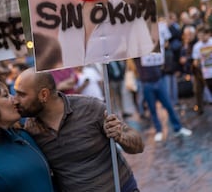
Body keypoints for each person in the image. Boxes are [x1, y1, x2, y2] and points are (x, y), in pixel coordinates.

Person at [12, 68, 143, 192]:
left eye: (21, 94)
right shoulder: (31, 129)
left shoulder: (91, 107)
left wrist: (120, 136)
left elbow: (138, 146)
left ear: (44, 95)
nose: (15, 100)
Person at [134, 58, 192, 142]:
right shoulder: (138, 54)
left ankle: (177, 128)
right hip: (147, 82)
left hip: (158, 80)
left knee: (169, 105)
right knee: (152, 109)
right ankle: (159, 130)